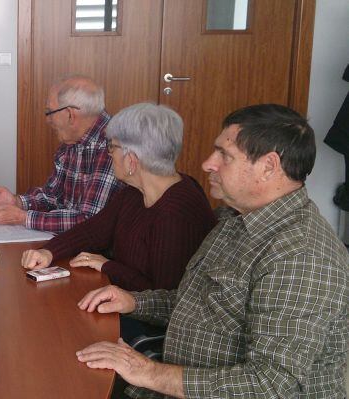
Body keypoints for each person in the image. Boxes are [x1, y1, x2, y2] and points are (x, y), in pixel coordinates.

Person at [76, 104, 349, 398]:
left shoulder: (301, 256)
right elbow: (195, 302)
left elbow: (269, 385)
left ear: (269, 166)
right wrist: (134, 302)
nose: (208, 163)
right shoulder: (234, 219)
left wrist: (148, 372)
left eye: (225, 155)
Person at [21, 103, 216, 292]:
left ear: (132, 160)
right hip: (121, 296)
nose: (109, 154)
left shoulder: (176, 214)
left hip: (149, 320)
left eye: (112, 147)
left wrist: (108, 266)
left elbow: (163, 298)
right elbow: (94, 231)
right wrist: (49, 251)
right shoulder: (135, 191)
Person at [0, 75, 122, 233]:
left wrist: (23, 217)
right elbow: (53, 196)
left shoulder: (112, 144)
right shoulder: (71, 140)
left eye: (50, 112)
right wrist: (16, 202)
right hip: (68, 243)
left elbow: (89, 221)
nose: (47, 120)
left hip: (97, 253)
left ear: (70, 115)